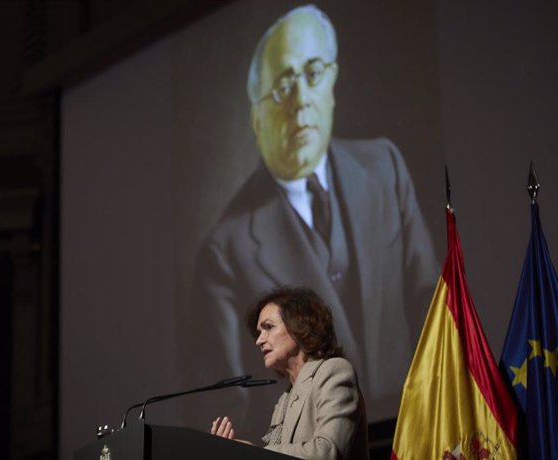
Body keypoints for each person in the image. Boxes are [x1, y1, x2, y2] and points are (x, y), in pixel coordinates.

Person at [181, 4, 437, 436]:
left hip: (419, 431)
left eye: (313, 73)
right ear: (256, 119)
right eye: (282, 88)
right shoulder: (224, 250)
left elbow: (433, 303)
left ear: (333, 83)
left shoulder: (384, 167)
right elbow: (229, 403)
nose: (300, 101)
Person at [210, 287, 369, 460]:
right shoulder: (285, 400)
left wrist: (254, 454)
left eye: (268, 327)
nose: (259, 340)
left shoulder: (334, 371)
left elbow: (328, 452)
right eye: (258, 332)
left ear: (299, 327)